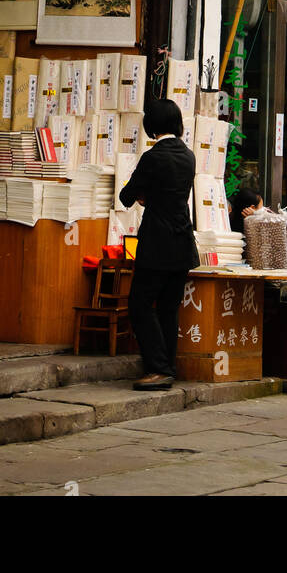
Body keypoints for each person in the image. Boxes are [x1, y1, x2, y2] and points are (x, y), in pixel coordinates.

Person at [119, 98, 199, 391]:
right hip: (183, 242)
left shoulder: (152, 157)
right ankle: (169, 367)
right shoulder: (188, 156)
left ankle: (158, 368)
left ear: (150, 124)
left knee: (139, 305)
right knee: (168, 307)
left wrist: (145, 195)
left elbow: (127, 196)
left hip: (157, 243)